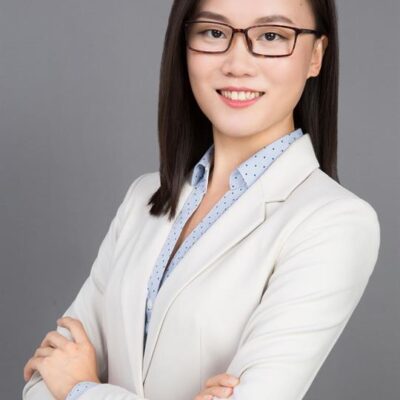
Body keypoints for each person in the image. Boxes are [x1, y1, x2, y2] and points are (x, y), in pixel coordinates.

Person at [22, 0, 381, 399]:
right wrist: (65, 382)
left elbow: (61, 382)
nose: (237, 63)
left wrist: (79, 388)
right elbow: (41, 381)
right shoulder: (143, 197)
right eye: (213, 32)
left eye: (272, 36)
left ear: (316, 55)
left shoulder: (335, 222)